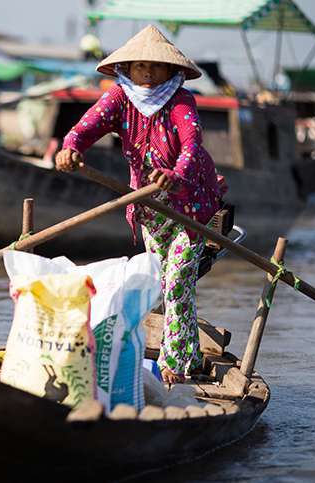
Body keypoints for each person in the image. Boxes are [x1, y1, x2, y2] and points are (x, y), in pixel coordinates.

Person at [54, 25, 226, 384]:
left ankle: (174, 368)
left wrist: (176, 175)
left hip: (190, 202)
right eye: (140, 67)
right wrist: (71, 147)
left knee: (178, 280)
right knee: (165, 283)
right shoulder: (120, 97)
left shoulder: (181, 100)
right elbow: (86, 127)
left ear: (171, 71)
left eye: (156, 67)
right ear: (128, 69)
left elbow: (192, 146)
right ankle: (190, 355)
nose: (147, 74)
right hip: (147, 203)